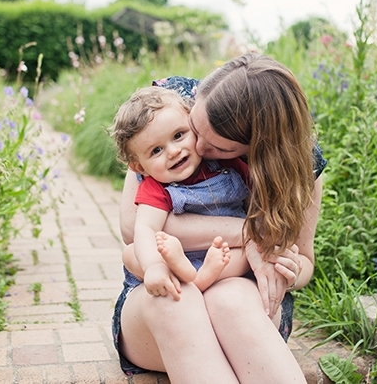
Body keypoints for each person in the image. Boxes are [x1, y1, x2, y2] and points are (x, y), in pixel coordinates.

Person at [111, 53, 327, 383]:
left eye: (217, 149)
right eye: (193, 128)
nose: (187, 147)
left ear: (254, 151)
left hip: (245, 314)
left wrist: (288, 269)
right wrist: (252, 234)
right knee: (176, 299)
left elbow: (304, 261)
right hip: (163, 316)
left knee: (230, 299)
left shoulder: (302, 163)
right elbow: (133, 228)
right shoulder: (165, 111)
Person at [110, 86, 251, 299]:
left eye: (178, 135)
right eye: (156, 150)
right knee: (131, 254)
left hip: (224, 256)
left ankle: (195, 279)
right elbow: (146, 228)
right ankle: (193, 277)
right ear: (140, 168)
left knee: (248, 255)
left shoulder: (226, 162)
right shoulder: (156, 187)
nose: (173, 151)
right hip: (175, 258)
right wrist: (154, 266)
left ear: (193, 125)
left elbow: (257, 199)